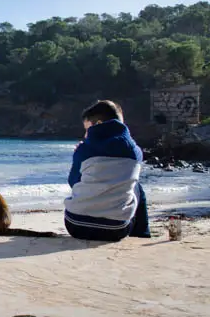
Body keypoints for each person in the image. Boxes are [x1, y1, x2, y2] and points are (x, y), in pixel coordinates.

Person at [63, 100, 150, 242]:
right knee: (136, 186)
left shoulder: (84, 149)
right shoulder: (135, 152)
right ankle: (142, 234)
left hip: (76, 224)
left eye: (87, 129)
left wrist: (78, 153)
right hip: (115, 229)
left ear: (97, 124)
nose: (86, 135)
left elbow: (73, 182)